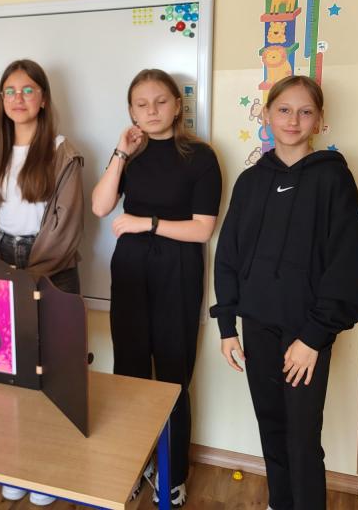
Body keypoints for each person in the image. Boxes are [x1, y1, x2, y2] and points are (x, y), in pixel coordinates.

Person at [210, 75, 358, 510]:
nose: (293, 120)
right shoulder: (250, 181)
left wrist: (313, 338)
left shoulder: (333, 179)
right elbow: (228, 256)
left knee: (302, 438)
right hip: (257, 326)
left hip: (305, 333)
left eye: (305, 111)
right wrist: (227, 327)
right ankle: (279, 503)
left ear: (319, 119)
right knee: (272, 427)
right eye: (283, 109)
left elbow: (347, 265)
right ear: (267, 115)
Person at [91, 68, 222, 508]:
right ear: (131, 111)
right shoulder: (131, 155)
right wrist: (120, 152)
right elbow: (100, 206)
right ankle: (133, 463)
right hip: (130, 270)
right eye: (141, 104)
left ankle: (173, 472)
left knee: (172, 375)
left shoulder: (200, 157)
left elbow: (202, 229)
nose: (151, 111)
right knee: (128, 371)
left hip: (177, 270)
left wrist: (146, 223)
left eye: (160, 101)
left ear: (177, 105)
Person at [0, 59, 83, 507]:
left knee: (50, 373)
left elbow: (64, 227)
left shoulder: (62, 152)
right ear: (1, 100)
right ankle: (14, 463)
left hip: (50, 266)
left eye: (28, 90)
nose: (18, 99)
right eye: (10, 91)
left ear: (44, 99)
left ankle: (45, 470)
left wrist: (27, 281)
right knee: (8, 370)